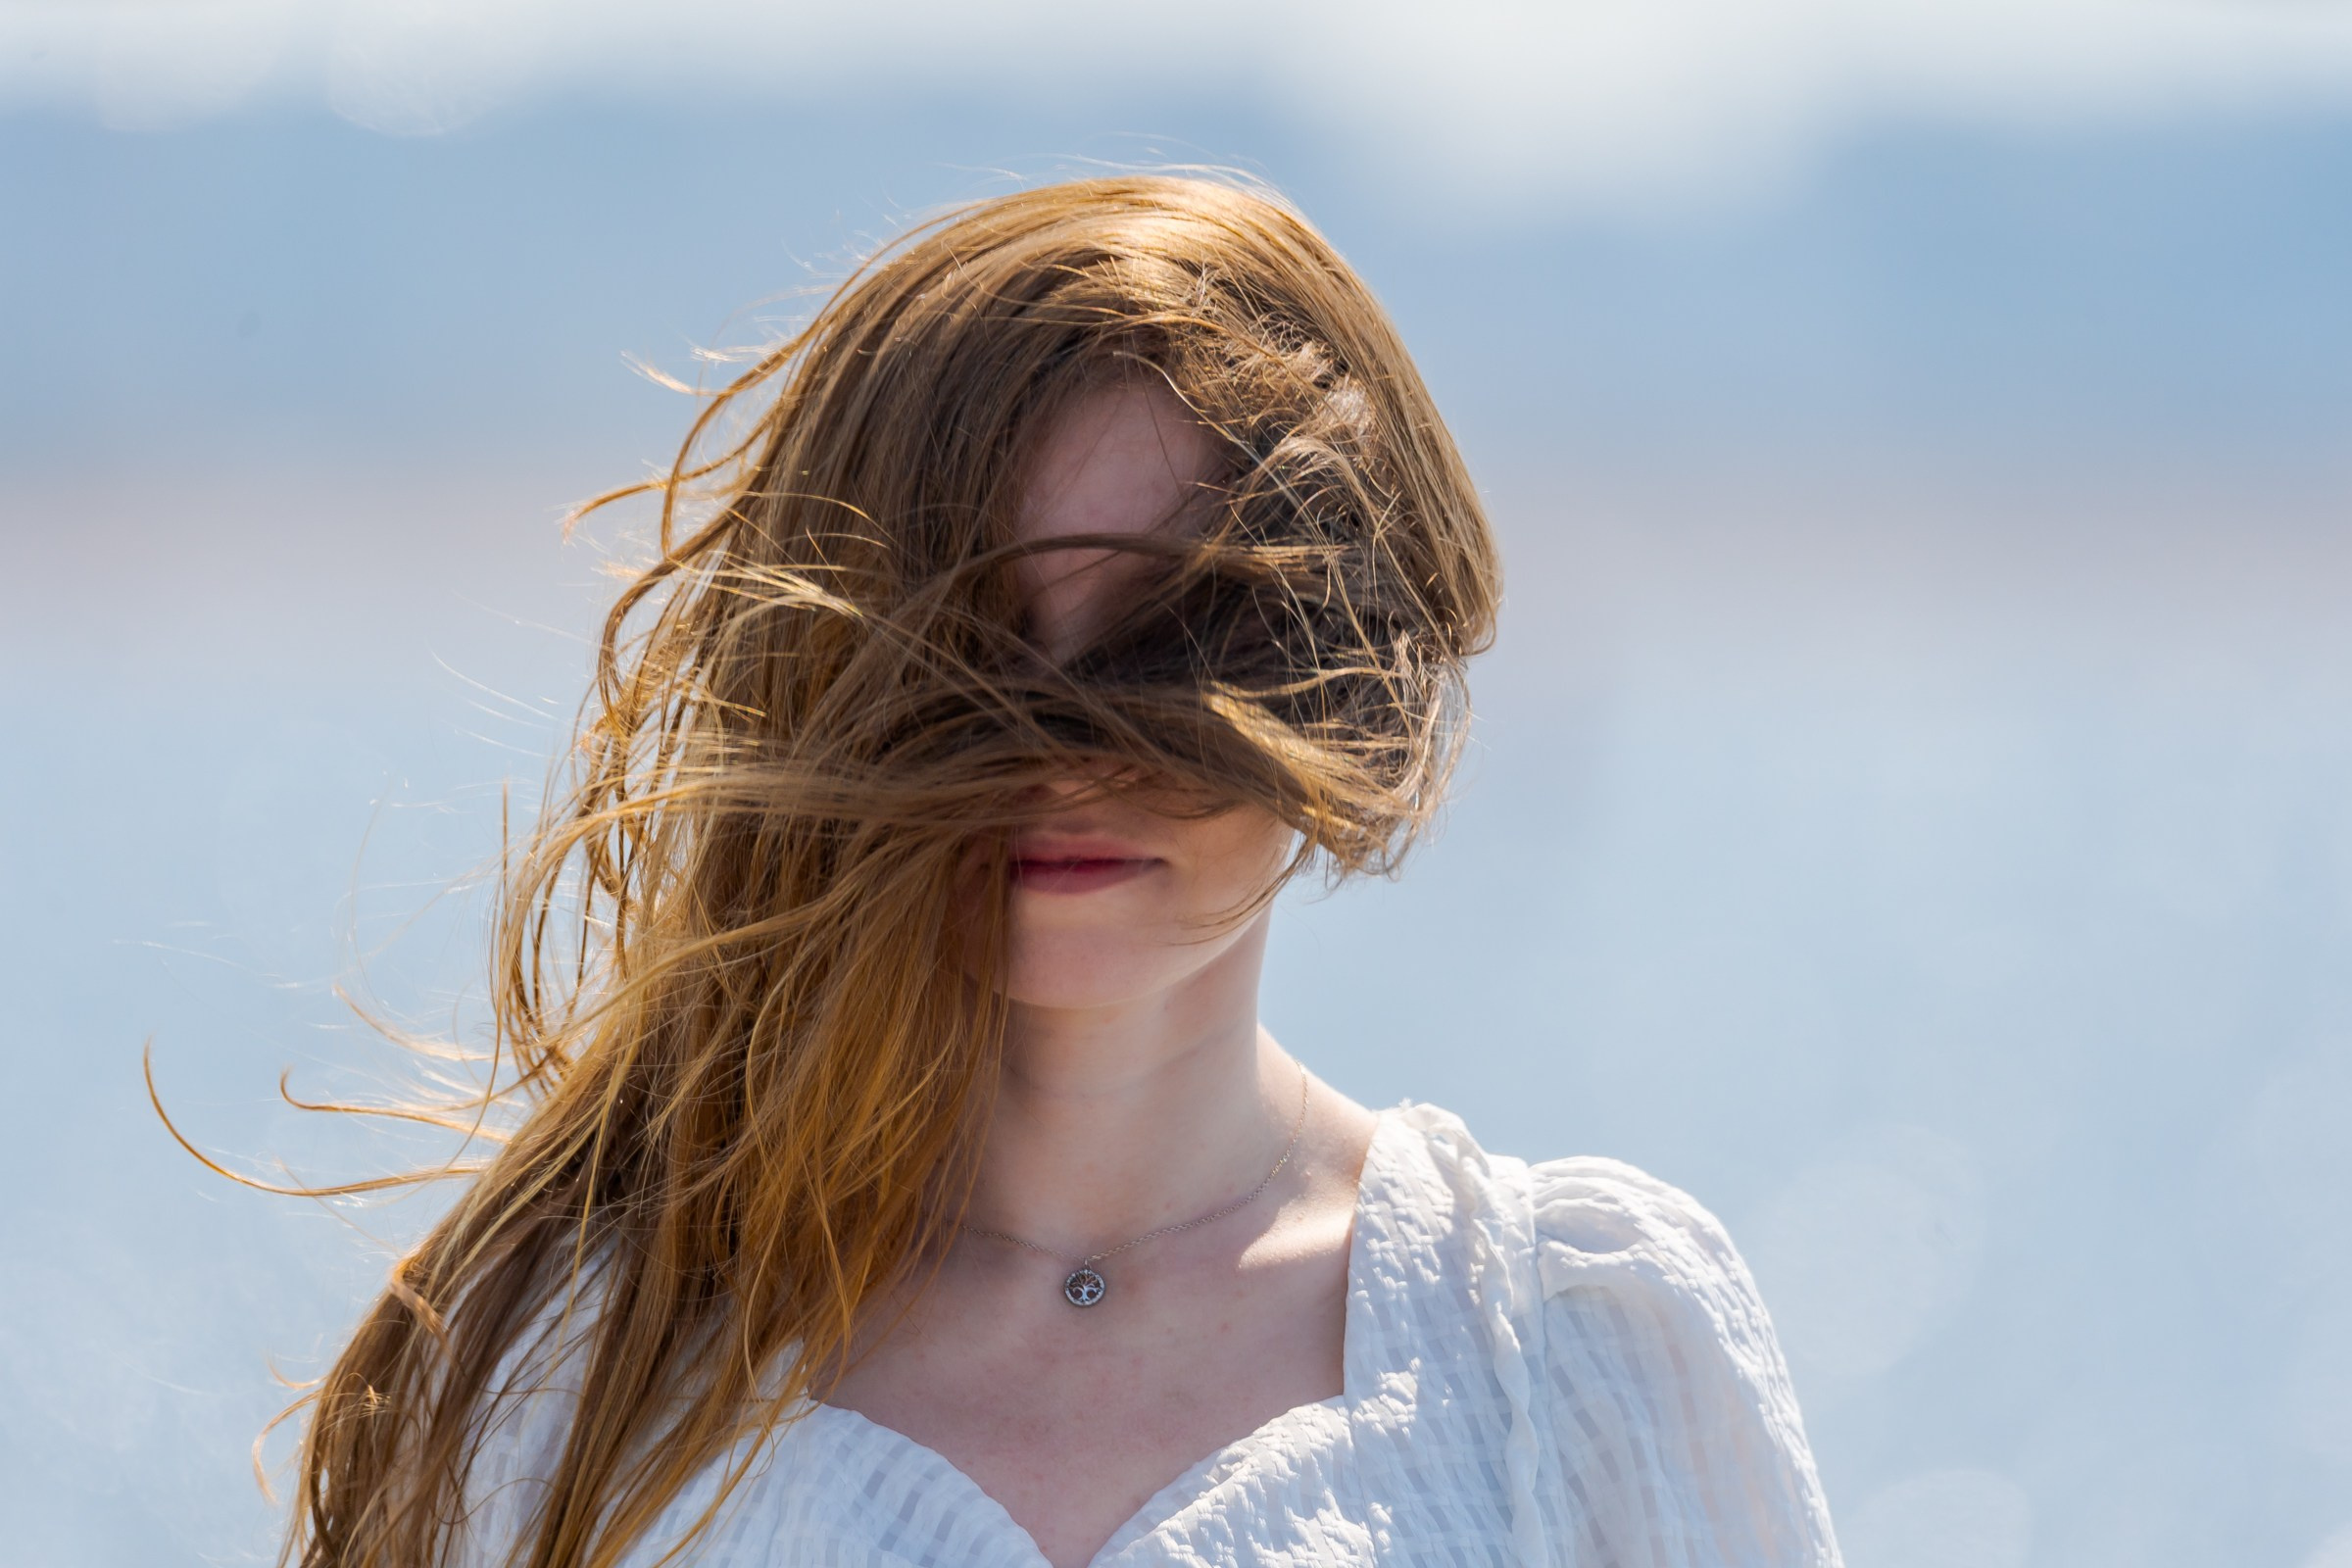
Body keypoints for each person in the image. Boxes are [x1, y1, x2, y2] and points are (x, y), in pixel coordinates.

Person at [278, 175, 1840, 1567]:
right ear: (823, 678)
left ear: (1356, 676)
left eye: (1180, 643)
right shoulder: (572, 1378)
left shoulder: (1570, 1356)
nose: (1065, 757)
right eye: (966, 659)